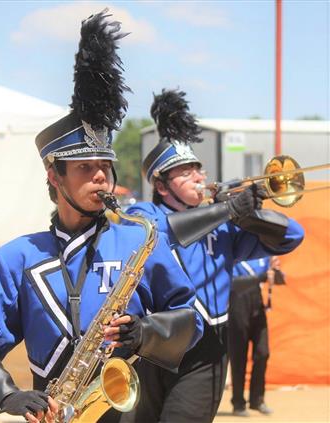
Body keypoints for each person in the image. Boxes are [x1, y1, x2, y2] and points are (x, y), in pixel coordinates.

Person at [0, 12, 204, 423]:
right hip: (52, 411)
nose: (101, 175)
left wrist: (147, 332)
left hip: (128, 408)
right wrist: (6, 395)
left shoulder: (138, 240)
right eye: (86, 167)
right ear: (54, 176)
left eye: (105, 164)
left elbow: (191, 317)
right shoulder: (17, 256)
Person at [119, 89, 304, 423]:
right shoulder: (144, 214)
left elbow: (293, 236)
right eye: (186, 172)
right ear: (162, 186)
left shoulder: (223, 226)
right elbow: (159, 233)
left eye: (198, 170)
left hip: (206, 352)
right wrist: (225, 211)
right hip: (150, 343)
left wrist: (249, 215)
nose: (198, 177)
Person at [228, 256, 284, 417]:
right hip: (238, 301)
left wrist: (275, 272)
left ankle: (257, 400)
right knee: (239, 356)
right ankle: (238, 402)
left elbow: (277, 280)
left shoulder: (264, 254)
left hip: (257, 303)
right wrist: (262, 276)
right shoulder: (235, 252)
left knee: (263, 353)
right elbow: (233, 283)